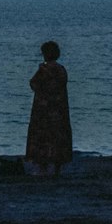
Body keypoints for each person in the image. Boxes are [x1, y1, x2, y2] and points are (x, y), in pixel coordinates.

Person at [26, 40, 72, 176]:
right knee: (58, 137)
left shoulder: (44, 69)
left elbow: (33, 84)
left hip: (43, 110)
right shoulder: (61, 69)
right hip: (59, 109)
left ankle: (42, 167)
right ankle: (57, 167)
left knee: (42, 137)